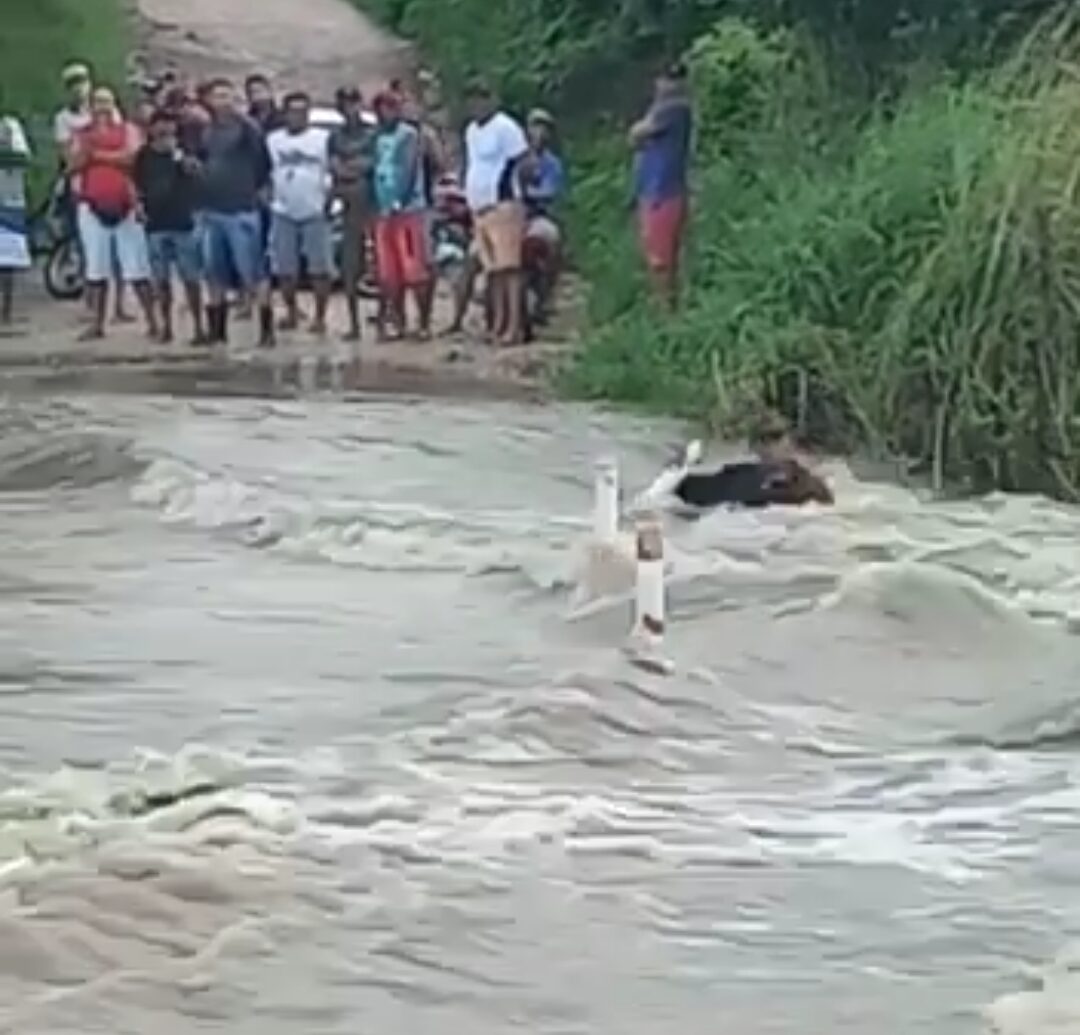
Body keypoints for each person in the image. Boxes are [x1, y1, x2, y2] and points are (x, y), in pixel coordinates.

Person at [68, 86, 157, 341]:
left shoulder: (128, 130)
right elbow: (73, 164)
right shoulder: (82, 133)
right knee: (96, 268)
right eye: (97, 102)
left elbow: (133, 159)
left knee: (137, 267)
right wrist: (97, 156)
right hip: (91, 202)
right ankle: (97, 324)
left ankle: (153, 321)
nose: (102, 107)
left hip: (126, 203)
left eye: (106, 101)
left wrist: (95, 155)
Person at [192, 78, 274, 346]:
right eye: (218, 96)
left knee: (252, 270)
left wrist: (254, 189)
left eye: (228, 96)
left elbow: (263, 162)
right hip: (211, 209)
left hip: (242, 209)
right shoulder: (206, 131)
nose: (223, 102)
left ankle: (266, 329)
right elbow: (202, 160)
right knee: (214, 272)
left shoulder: (248, 129)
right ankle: (217, 331)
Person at [463, 79, 530, 346]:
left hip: (503, 205)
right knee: (493, 271)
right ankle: (498, 325)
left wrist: (510, 189)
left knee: (510, 269)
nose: (478, 104)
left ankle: (514, 326)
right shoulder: (471, 130)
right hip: (479, 208)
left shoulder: (506, 127)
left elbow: (524, 161)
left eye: (483, 97)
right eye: (474, 98)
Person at [133, 109, 206, 344]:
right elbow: (136, 184)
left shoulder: (183, 151)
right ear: (151, 129)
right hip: (155, 225)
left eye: (169, 127)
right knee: (161, 281)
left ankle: (199, 326)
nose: (164, 132)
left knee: (191, 278)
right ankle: (166, 327)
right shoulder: (143, 156)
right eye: (160, 127)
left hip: (183, 222)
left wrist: (179, 156)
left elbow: (197, 173)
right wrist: (139, 207)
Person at [266, 91, 334, 336]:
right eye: (293, 111)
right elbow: (266, 172)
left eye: (302, 111)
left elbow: (333, 170)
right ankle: (291, 312)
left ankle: (320, 316)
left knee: (320, 267)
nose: (297, 116)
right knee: (285, 268)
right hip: (283, 210)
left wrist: (330, 200)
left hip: (315, 209)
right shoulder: (273, 140)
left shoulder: (323, 139)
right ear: (285, 114)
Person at [629, 62, 693, 310]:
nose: (670, 85)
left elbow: (637, 133)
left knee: (662, 260)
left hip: (664, 191)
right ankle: (664, 309)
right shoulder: (665, 109)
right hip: (654, 189)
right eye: (667, 79)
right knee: (657, 256)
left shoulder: (674, 109)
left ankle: (667, 312)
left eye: (676, 79)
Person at [371, 90, 432, 340]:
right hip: (382, 211)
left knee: (414, 269)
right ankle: (399, 321)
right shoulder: (376, 136)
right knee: (389, 273)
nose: (386, 113)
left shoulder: (408, 135)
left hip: (408, 210)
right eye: (382, 109)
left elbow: (407, 169)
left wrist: (399, 200)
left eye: (391, 108)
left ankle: (424, 322)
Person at [329, 85, 375, 341]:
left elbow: (371, 163)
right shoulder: (335, 136)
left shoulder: (372, 133)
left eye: (353, 103)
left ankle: (385, 318)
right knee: (349, 266)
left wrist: (350, 168)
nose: (350, 109)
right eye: (345, 104)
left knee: (380, 265)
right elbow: (334, 165)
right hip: (347, 208)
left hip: (373, 205)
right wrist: (350, 170)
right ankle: (354, 324)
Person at [521, 107, 566, 323]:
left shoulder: (553, 164)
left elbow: (549, 192)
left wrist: (526, 192)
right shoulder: (517, 157)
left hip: (539, 215)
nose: (539, 131)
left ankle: (546, 297)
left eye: (544, 127)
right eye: (535, 125)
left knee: (553, 241)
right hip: (513, 214)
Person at [0, 108, 32, 329]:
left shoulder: (9, 126)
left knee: (8, 259)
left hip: (9, 199)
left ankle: (6, 313)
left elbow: (22, 158)